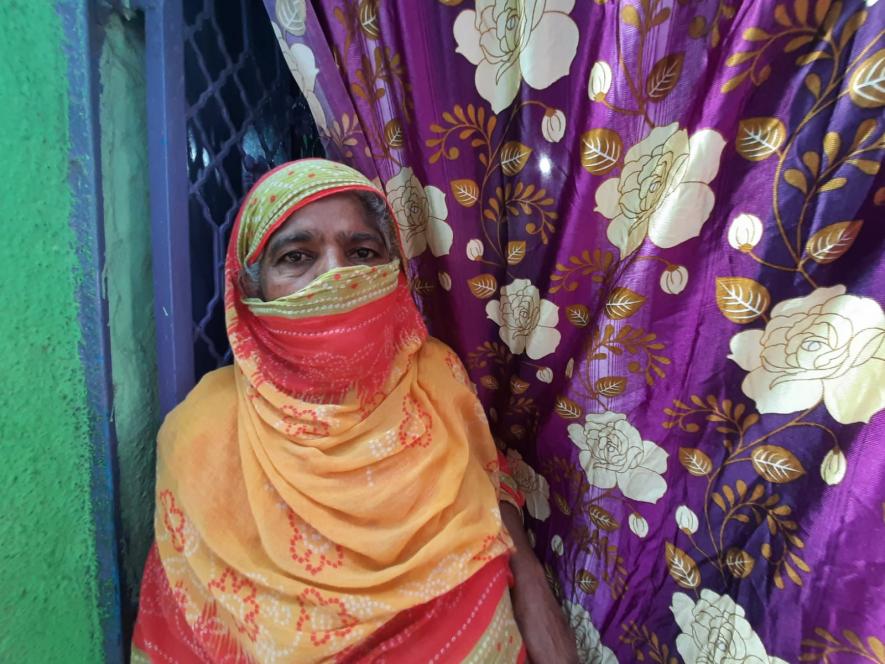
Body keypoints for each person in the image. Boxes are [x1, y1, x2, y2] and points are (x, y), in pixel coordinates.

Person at [132, 158, 578, 663]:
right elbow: (189, 632)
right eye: (297, 257)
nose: (335, 276)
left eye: (362, 251)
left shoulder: (434, 376)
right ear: (251, 290)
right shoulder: (204, 432)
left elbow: (494, 509)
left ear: (394, 273)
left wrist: (541, 608)